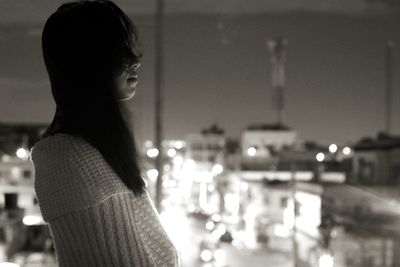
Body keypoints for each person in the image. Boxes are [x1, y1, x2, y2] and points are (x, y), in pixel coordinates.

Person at [30, 1, 180, 266]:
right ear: (84, 61)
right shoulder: (68, 156)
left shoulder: (94, 149)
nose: (135, 61)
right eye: (116, 51)